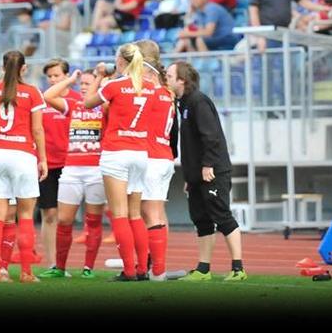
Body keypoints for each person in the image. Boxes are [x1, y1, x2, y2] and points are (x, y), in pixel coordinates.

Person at [81, 43, 161, 281]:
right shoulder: (149, 87)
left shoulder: (115, 85)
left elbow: (87, 103)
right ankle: (141, 269)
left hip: (116, 151)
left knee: (119, 214)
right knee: (135, 214)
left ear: (121, 61)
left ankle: (128, 270)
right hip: (140, 152)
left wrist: (102, 77)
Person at [167, 61, 247, 281]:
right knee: (201, 219)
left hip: (213, 171)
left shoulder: (198, 101)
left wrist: (208, 166)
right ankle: (203, 269)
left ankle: (238, 269)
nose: (166, 78)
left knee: (222, 216)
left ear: (182, 80)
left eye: (170, 75)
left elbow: (210, 136)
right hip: (197, 175)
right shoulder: (181, 103)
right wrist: (190, 177)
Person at [0, 50, 48, 283]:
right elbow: (38, 129)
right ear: (24, 69)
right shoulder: (32, 92)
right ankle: (27, 273)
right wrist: (43, 159)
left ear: (2, 68)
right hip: (23, 154)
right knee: (25, 214)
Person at [39, 68, 106, 279]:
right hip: (72, 170)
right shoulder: (74, 106)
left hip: (96, 170)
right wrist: (69, 80)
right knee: (64, 220)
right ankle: (59, 267)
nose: (84, 87)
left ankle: (88, 268)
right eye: (82, 84)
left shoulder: (104, 107)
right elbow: (48, 95)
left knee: (93, 221)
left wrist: (101, 79)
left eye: (88, 83)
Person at [133, 39, 176, 281]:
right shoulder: (166, 92)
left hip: (149, 156)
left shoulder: (147, 92)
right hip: (164, 157)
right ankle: (156, 266)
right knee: (157, 213)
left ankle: (152, 268)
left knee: (146, 214)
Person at [35, 59, 72, 276]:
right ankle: (52, 264)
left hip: (72, 166)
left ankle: (76, 265)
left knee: (68, 217)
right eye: (49, 76)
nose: (52, 80)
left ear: (66, 76)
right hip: (47, 164)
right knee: (49, 214)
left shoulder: (78, 100)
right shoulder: (40, 101)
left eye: (57, 75)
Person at [175, 0, 239, 53]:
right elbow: (198, 29)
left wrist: (188, 34)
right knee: (185, 40)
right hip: (215, 37)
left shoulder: (211, 8)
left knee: (199, 39)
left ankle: (206, 62)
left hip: (228, 37)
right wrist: (189, 13)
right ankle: (178, 59)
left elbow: (208, 32)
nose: (193, 0)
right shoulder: (198, 11)